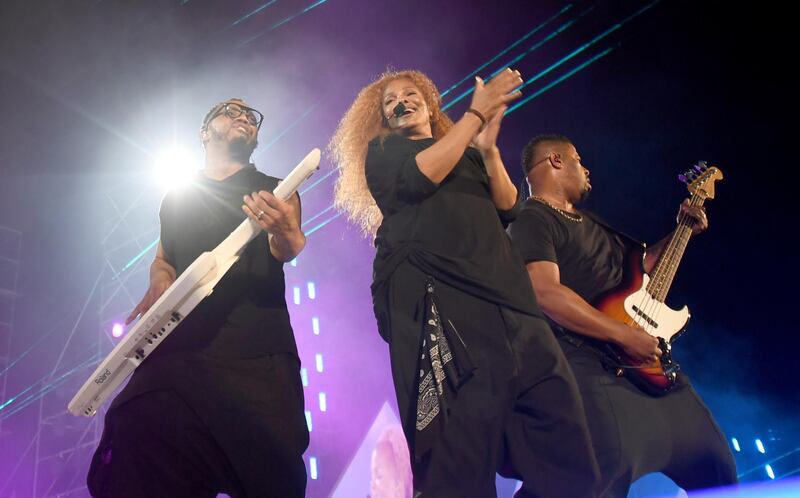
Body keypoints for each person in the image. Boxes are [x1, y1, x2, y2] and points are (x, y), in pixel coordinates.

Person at [330, 70, 600, 497]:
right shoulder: (384, 151)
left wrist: (488, 150)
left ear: (431, 103)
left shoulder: (467, 151)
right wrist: (475, 115)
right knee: (457, 467)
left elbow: (509, 207)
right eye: (389, 101)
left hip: (511, 305)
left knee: (570, 457)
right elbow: (419, 178)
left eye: (410, 94)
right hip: (442, 306)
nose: (400, 102)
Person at [87, 98, 309, 498]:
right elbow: (163, 257)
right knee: (139, 444)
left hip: (253, 354)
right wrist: (160, 279)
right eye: (231, 111)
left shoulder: (278, 187)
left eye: (250, 115)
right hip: (177, 353)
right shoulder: (176, 198)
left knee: (272, 475)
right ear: (204, 132)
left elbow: (289, 245)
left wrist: (284, 230)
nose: (243, 116)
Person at [508, 134, 738, 497]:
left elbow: (641, 272)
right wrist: (622, 335)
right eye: (579, 161)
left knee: (719, 471)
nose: (587, 170)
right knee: (597, 479)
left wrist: (682, 232)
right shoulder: (532, 219)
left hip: (659, 375)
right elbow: (544, 291)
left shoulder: (596, 226)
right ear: (555, 161)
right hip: (599, 371)